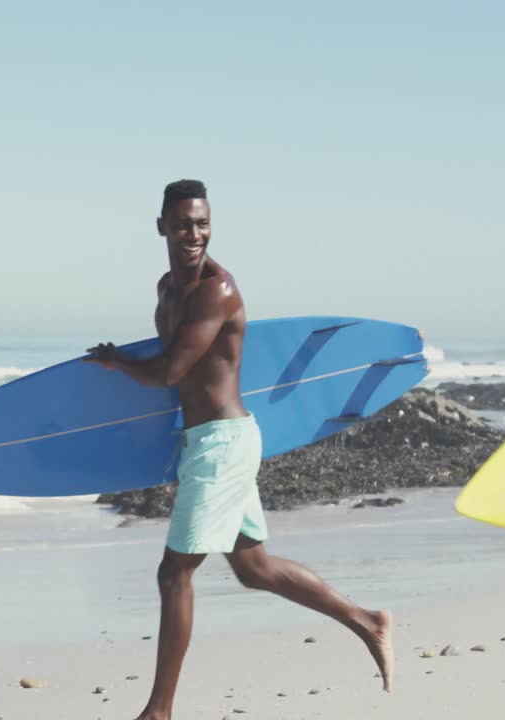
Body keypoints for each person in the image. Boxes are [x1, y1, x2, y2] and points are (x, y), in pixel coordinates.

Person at [83, 179, 394, 720]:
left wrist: (118, 364)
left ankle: (158, 712)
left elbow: (172, 370)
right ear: (162, 227)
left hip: (222, 444)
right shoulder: (166, 288)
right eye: (183, 224)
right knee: (254, 568)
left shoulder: (217, 291)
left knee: (174, 574)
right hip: (204, 440)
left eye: (202, 224)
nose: (194, 234)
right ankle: (369, 622)